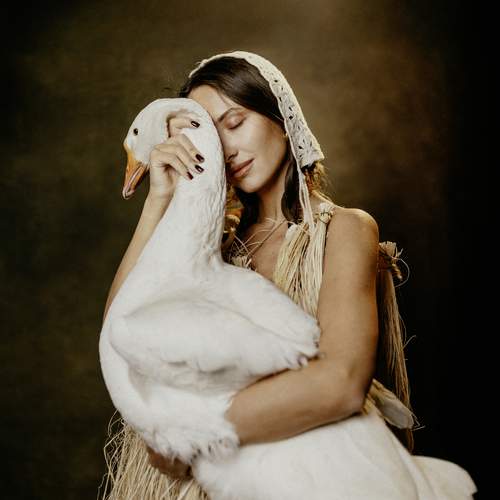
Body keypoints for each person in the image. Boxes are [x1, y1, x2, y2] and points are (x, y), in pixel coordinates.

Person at [99, 51, 477, 500]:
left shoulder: (344, 230)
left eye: (235, 122)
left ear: (280, 116)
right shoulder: (213, 250)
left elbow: (342, 382)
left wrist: (187, 434)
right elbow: (120, 333)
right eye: (212, 135)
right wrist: (159, 197)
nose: (227, 149)